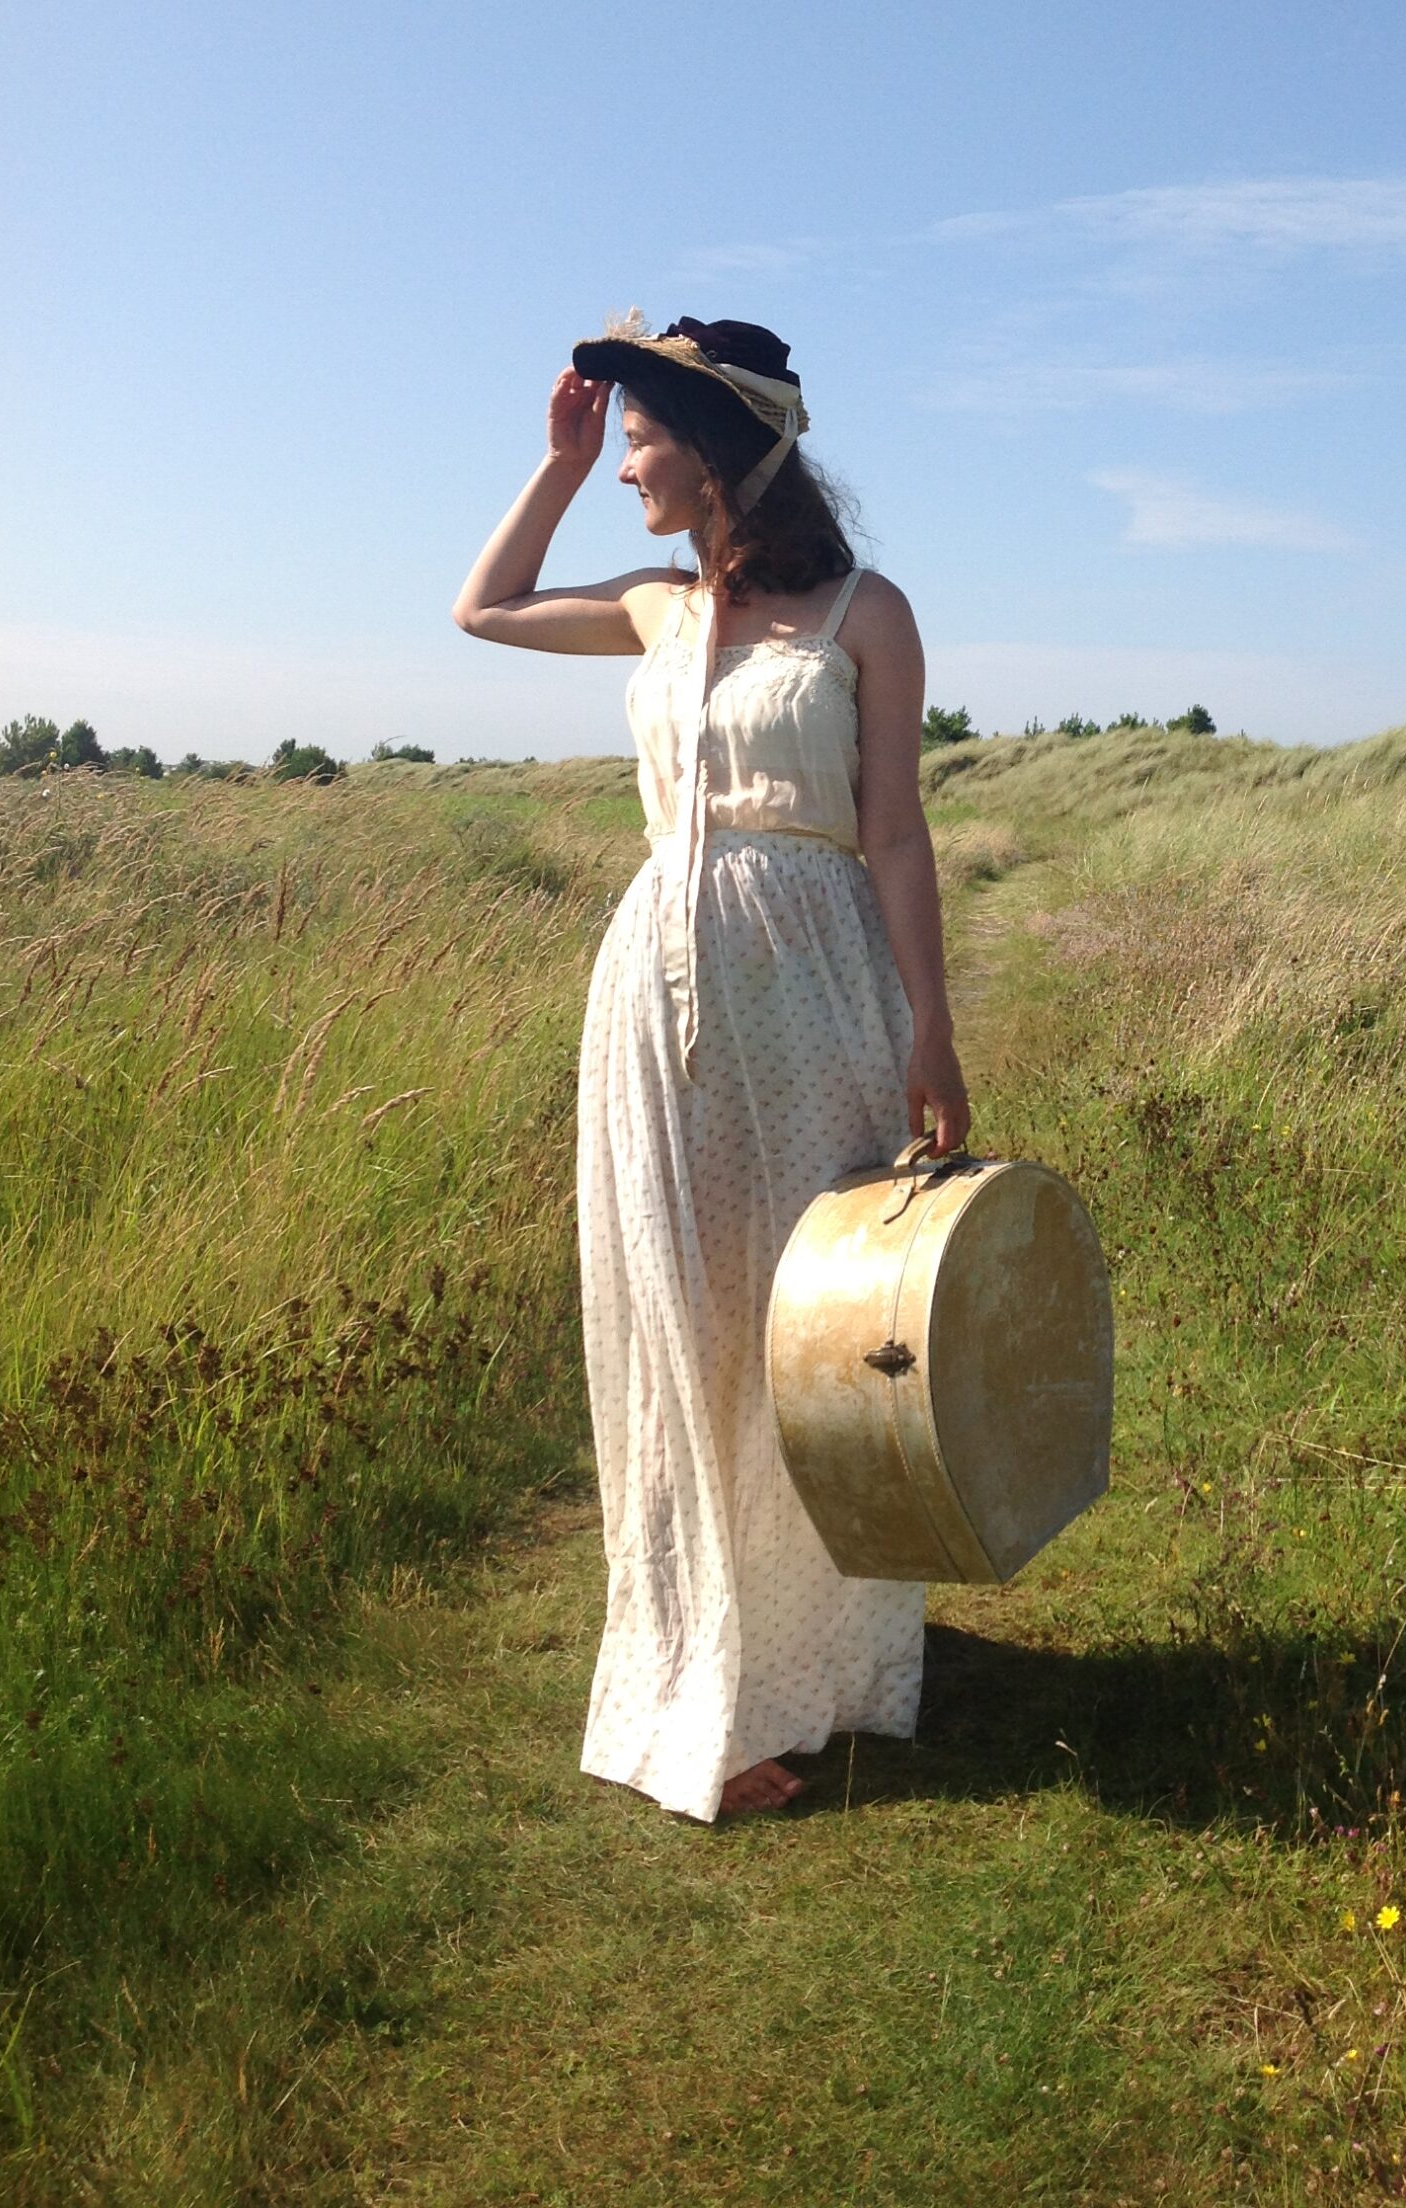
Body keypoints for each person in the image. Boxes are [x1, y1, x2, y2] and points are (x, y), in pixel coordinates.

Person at [453, 313, 969, 1822]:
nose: (625, 465)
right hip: (658, 991)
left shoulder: (867, 615)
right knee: (677, 1318)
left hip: (818, 988)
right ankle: (703, 1690)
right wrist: (548, 468)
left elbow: (894, 833)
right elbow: (482, 609)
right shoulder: (658, 611)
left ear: (723, 444)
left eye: (638, 439)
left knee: (807, 1328)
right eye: (613, 443)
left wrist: (931, 1028)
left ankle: (821, 1663)